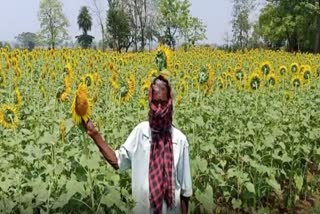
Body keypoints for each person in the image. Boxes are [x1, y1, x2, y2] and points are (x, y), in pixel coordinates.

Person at [83, 75, 192, 214]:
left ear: (170, 102)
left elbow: (185, 192)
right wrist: (94, 134)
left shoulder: (180, 141)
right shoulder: (140, 133)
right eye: (155, 102)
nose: (159, 108)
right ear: (149, 102)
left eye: (163, 103)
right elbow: (117, 162)